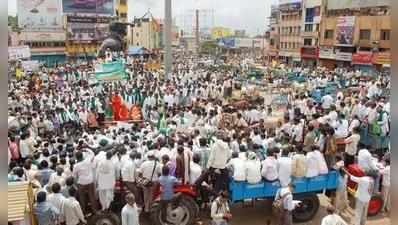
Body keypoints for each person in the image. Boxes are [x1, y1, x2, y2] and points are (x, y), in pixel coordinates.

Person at [72, 149, 98, 216]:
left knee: (82, 198)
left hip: (81, 183)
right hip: (90, 181)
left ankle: (83, 211)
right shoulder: (88, 160)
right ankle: (95, 210)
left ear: (76, 157)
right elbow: (92, 154)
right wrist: (86, 149)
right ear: (82, 156)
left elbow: (74, 176)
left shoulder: (76, 166)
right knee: (92, 196)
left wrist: (76, 184)